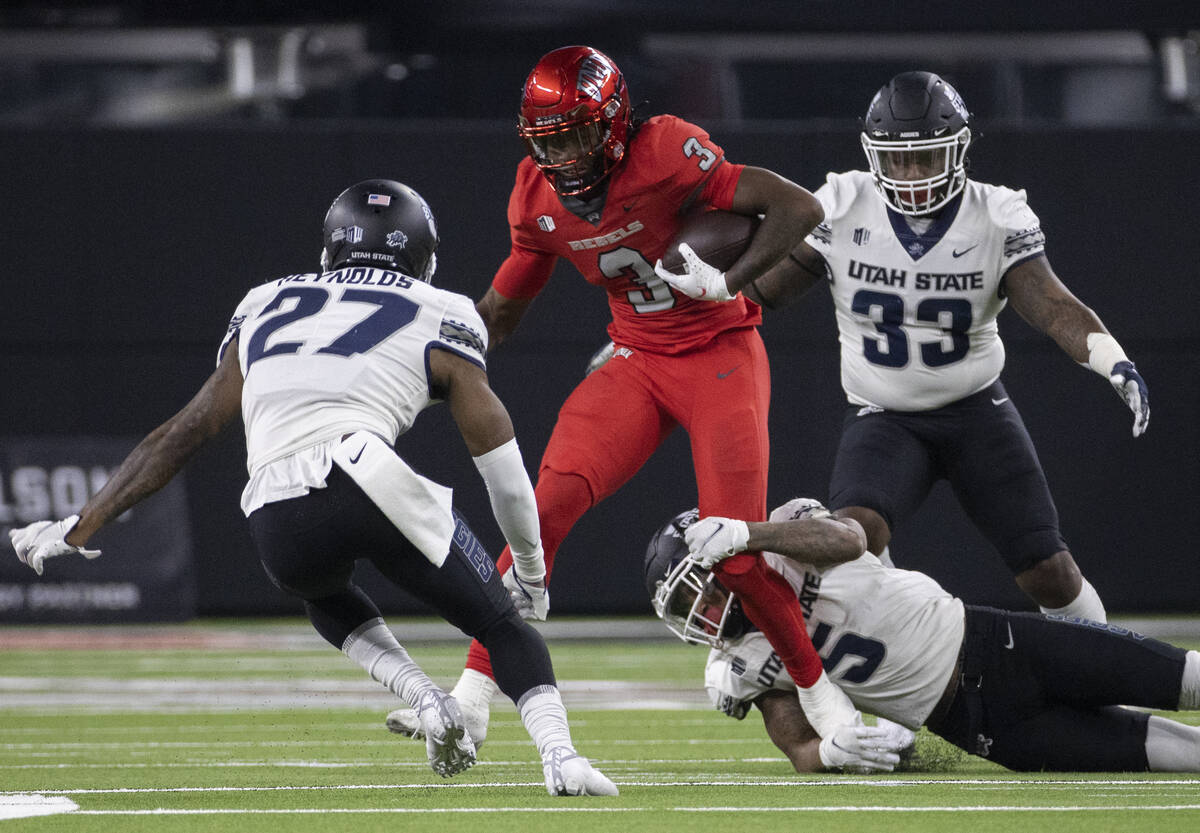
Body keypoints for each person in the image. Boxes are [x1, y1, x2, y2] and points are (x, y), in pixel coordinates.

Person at [6, 179, 617, 796]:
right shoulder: (445, 310)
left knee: (322, 590)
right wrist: (532, 566)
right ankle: (561, 759)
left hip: (272, 510)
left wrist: (77, 525)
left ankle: (425, 695)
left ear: (330, 250)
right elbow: (497, 455)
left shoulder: (265, 300)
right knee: (502, 623)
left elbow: (184, 433)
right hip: (364, 471)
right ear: (423, 258)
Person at [387, 45, 858, 747]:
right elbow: (504, 307)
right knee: (539, 514)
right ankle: (474, 696)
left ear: (611, 125)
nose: (564, 155)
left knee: (734, 553)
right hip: (637, 358)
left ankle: (823, 697)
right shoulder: (537, 196)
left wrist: (728, 284)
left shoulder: (667, 150)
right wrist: (426, 360)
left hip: (719, 355)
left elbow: (799, 207)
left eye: (576, 135)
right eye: (549, 140)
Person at [728, 70, 1150, 622]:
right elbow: (762, 292)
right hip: (885, 416)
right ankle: (894, 691)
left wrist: (1112, 359)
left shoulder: (996, 215)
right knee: (856, 537)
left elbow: (1052, 306)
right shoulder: (842, 203)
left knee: (1048, 570)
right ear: (873, 154)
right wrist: (661, 333)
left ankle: (1111, 675)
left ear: (959, 150)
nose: (911, 174)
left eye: (926, 157)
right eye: (898, 159)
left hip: (977, 411)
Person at [646, 500, 1200, 773]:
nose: (705, 611)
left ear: (723, 560)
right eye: (687, 606)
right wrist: (832, 752)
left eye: (703, 592)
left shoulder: (785, 535)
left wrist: (751, 534)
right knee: (1172, 755)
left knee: (1184, 678)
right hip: (978, 728)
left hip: (998, 643)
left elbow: (849, 537)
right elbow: (796, 747)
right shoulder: (741, 664)